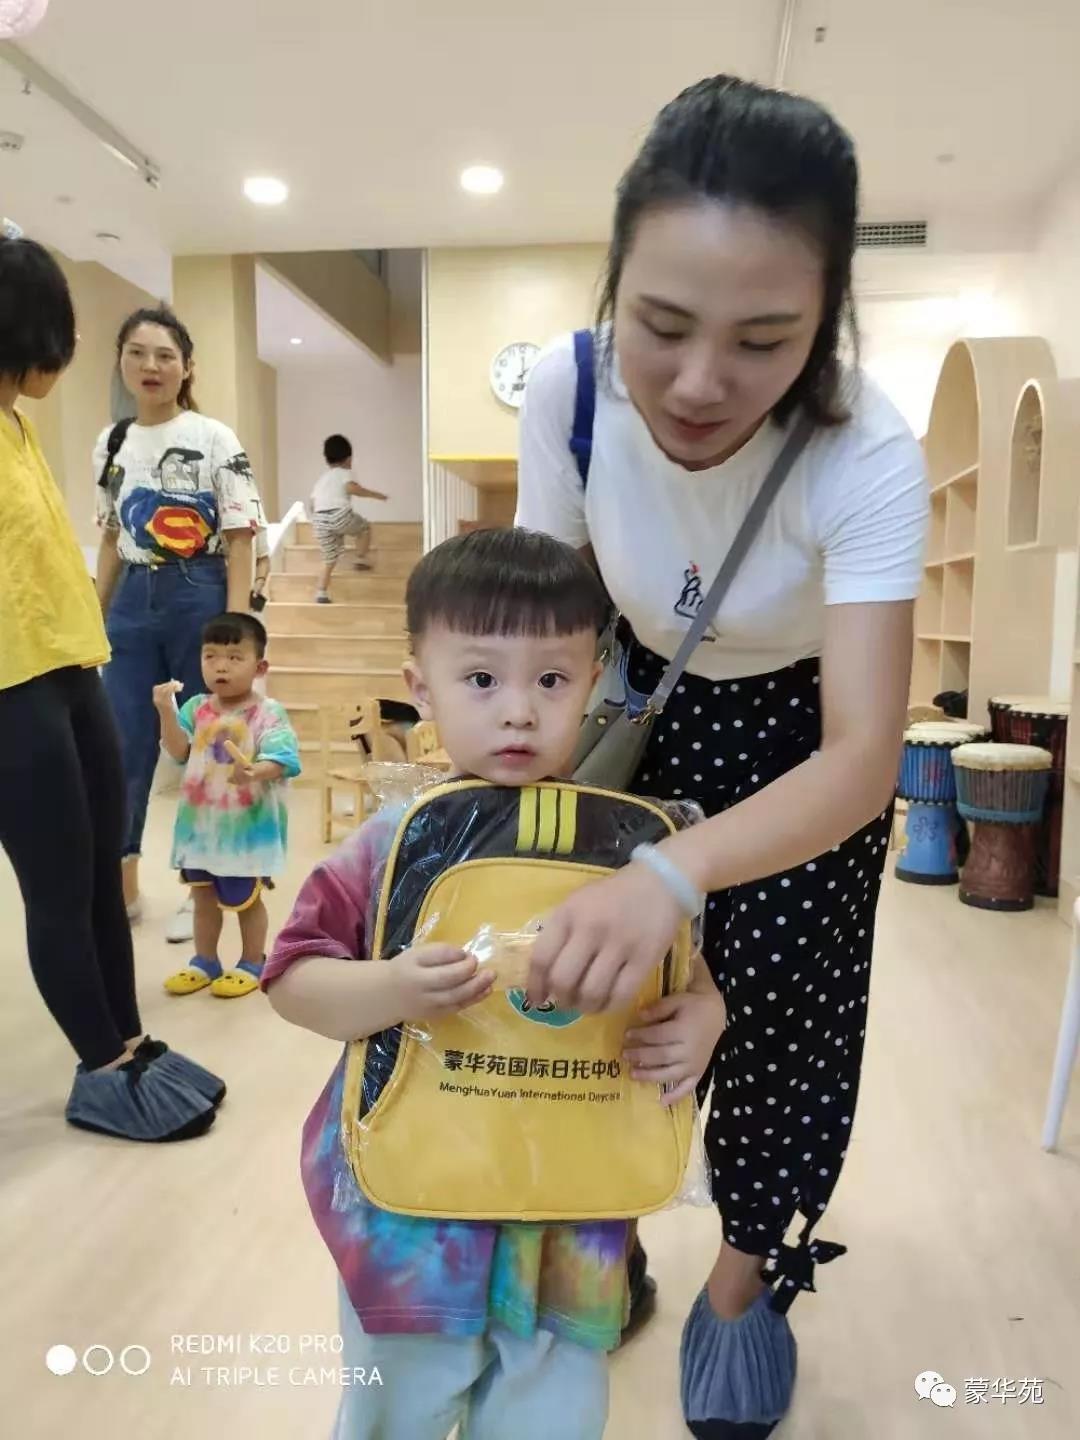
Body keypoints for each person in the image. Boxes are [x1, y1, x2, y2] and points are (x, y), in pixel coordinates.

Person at [516, 76, 928, 1438]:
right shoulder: (571, 393)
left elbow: (864, 755)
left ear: (827, 320)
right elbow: (542, 630)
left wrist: (679, 882)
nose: (700, 383)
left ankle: (744, 1287)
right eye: (661, 325)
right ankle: (604, 1235)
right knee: (602, 1000)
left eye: (763, 341)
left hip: (805, 737)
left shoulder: (866, 452)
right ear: (613, 286)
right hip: (638, 704)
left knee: (783, 1030)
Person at [263, 528, 727, 1440]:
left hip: (570, 1210)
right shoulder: (397, 840)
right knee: (397, 1408)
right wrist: (392, 989)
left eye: (551, 680)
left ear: (592, 682)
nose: (519, 712)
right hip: (414, 1216)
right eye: (481, 678)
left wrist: (704, 1016)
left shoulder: (627, 847)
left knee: (551, 1414)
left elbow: (683, 972)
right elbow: (292, 979)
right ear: (421, 686)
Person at [0, 235, 223, 1142]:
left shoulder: (16, 423)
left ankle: (128, 1041)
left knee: (99, 869)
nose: (66, 361)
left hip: (67, 661)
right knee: (57, 884)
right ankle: (101, 1067)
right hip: (9, 686)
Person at [94, 306, 266, 944]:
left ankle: (206, 890)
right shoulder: (112, 442)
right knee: (124, 747)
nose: (151, 366)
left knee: (211, 743)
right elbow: (110, 535)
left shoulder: (214, 436)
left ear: (187, 367)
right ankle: (125, 886)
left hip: (201, 591)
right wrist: (95, 613)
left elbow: (242, 534)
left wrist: (238, 626)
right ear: (121, 361)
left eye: (165, 355)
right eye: (137, 353)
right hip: (129, 603)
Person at [154, 612, 301, 999]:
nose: (221, 666)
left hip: (246, 833)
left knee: (247, 902)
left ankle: (253, 961)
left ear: (259, 667)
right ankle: (204, 961)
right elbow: (179, 751)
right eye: (211, 656)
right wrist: (167, 711)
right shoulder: (196, 708)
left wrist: (256, 771)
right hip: (200, 829)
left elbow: (283, 758)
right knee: (202, 897)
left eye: (235, 657)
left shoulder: (268, 713)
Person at [309, 432, 388, 602]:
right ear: (348, 459)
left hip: (319, 521)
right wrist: (376, 495)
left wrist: (318, 518)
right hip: (339, 515)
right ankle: (361, 558)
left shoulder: (322, 479)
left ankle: (321, 592)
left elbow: (312, 503)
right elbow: (353, 489)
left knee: (329, 558)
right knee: (364, 528)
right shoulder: (344, 472)